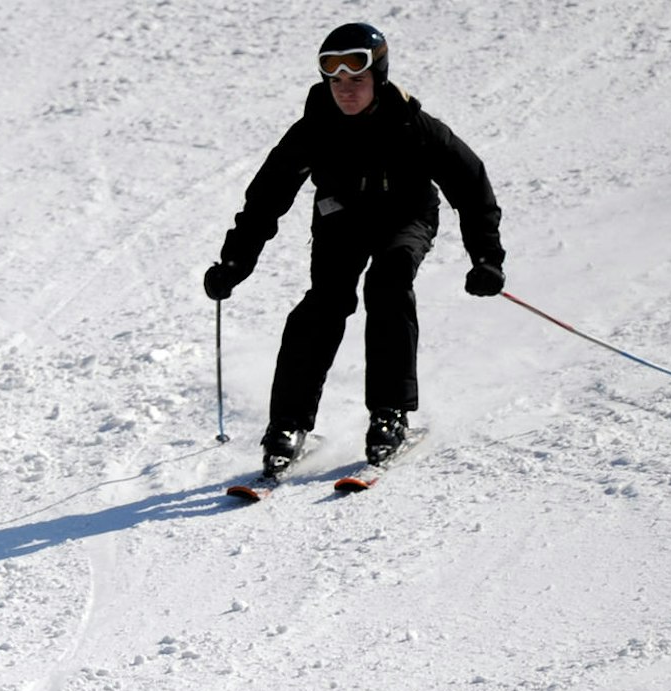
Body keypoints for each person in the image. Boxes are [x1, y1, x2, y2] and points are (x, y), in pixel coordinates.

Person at [204, 22, 505, 477]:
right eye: (336, 80)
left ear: (378, 77)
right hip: (341, 219)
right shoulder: (313, 129)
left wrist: (486, 258)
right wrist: (235, 261)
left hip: (406, 218)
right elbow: (266, 197)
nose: (346, 90)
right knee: (323, 305)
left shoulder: (414, 126)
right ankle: (288, 425)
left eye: (357, 80)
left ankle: (390, 413)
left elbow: (470, 184)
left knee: (389, 280)